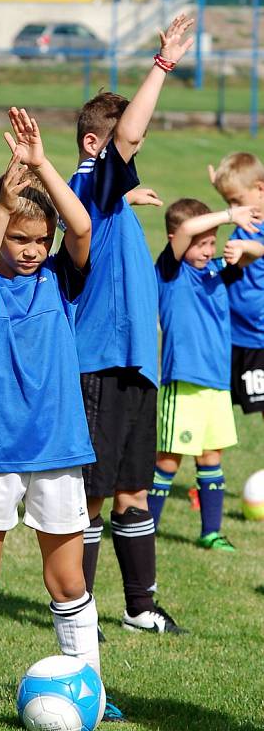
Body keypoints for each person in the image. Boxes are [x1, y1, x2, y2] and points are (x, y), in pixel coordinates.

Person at [0, 107, 101, 723]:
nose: (32, 250)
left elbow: (81, 227)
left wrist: (40, 163)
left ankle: (90, 688)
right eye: (18, 237)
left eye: (41, 239)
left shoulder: (63, 279)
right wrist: (4, 205)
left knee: (68, 584)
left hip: (59, 450)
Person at [69, 15, 193, 637]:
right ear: (97, 145)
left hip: (136, 362)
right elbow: (131, 140)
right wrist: (162, 65)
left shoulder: (110, 192)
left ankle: (141, 606)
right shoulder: (87, 183)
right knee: (92, 497)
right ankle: (78, 611)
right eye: (120, 143)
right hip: (100, 364)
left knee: (134, 492)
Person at [149, 199, 263, 549]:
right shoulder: (170, 272)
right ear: (176, 240)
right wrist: (230, 215)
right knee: (168, 460)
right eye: (201, 243)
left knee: (212, 458)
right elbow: (185, 230)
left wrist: (242, 246)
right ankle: (145, 529)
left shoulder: (216, 271)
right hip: (183, 383)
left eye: (212, 242)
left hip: (216, 385)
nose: (207, 250)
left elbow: (257, 253)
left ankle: (210, 532)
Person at [209, 153, 264, 419]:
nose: (232, 208)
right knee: (219, 406)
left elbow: (258, 249)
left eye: (236, 200)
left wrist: (244, 247)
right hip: (232, 333)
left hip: (258, 336)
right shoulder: (246, 217)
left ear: (260, 189)